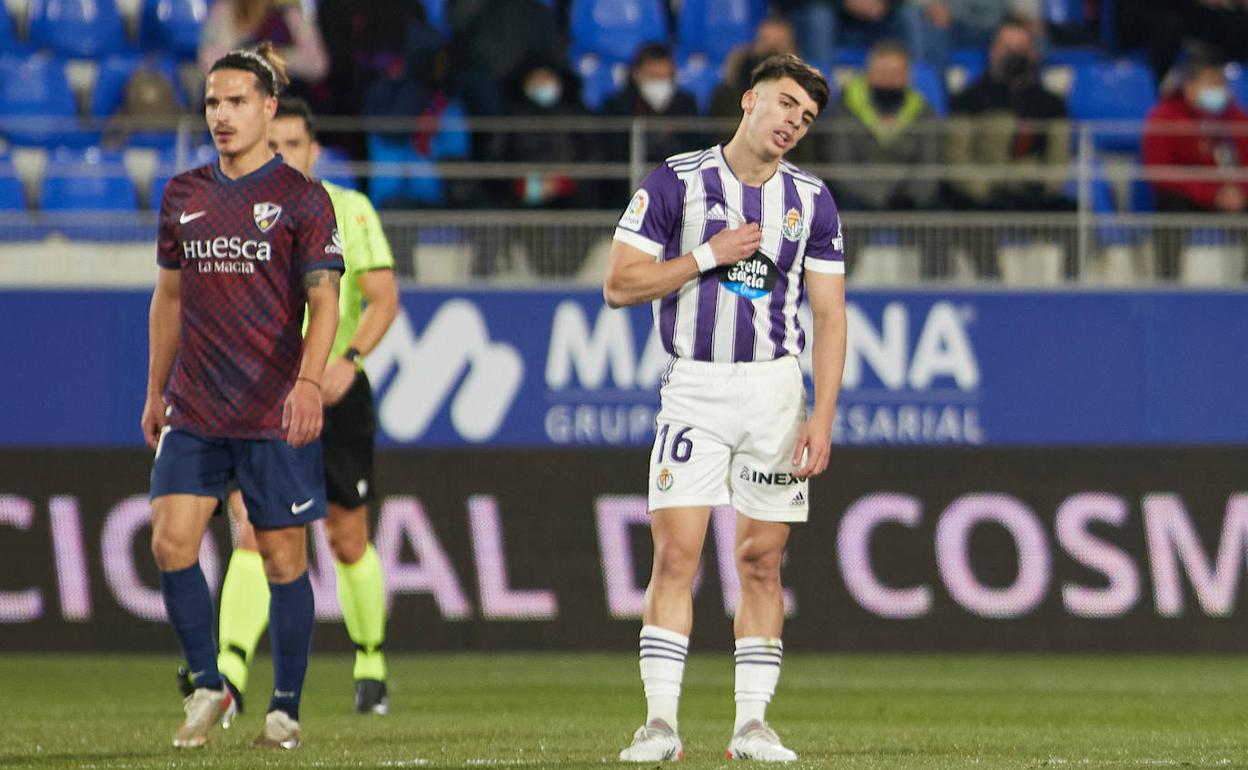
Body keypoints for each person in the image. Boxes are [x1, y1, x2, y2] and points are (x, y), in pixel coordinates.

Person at [603, 54, 847, 763]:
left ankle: (751, 726)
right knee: (676, 554)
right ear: (750, 100)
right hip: (696, 388)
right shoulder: (676, 181)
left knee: (763, 561)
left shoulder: (811, 201)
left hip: (775, 392)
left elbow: (829, 317)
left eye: (805, 118)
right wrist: (707, 256)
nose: (792, 123)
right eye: (785, 105)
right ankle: (660, 725)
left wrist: (822, 415)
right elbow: (619, 284)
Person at [142, 43, 343, 750]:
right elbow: (167, 298)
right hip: (195, 405)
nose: (221, 116)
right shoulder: (183, 195)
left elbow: (327, 300)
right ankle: (208, 684)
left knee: (283, 560)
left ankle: (284, 708)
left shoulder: (302, 199)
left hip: (269, 412)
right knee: (170, 541)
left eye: (234, 103)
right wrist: (153, 390)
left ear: (267, 108)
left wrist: (310, 381)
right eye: (211, 104)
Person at [186, 95, 399, 719]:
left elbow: (382, 299)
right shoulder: (231, 210)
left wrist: (348, 360)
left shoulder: (352, 211)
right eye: (271, 144)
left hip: (335, 390)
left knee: (347, 534)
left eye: (294, 145)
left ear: (314, 150)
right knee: (251, 526)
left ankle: (370, 664)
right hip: (260, 395)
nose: (282, 155)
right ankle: (228, 675)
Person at [1142, 57, 1248, 274]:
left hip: (1231, 195)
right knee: (1170, 207)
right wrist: (1211, 192)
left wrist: (1240, 192)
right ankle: (1167, 283)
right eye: (1210, 83)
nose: (1218, 90)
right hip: (1187, 196)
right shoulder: (1165, 117)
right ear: (1189, 87)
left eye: (1220, 84)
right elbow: (1159, 171)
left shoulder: (1236, 118)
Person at [823, 39, 942, 211]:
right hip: (857, 198)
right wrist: (881, 198)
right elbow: (841, 166)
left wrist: (909, 197)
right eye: (883, 73)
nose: (889, 80)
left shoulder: (923, 111)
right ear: (869, 74)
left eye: (896, 73)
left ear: (909, 77)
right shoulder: (845, 108)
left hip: (909, 200)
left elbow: (929, 165)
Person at [198, 0, 329, 93]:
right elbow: (210, 64)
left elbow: (318, 66)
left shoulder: (291, 13)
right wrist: (256, 58)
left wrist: (279, 58)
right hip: (237, 100)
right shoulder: (224, 10)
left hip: (282, 105)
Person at [908, 0, 1042, 73]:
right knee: (926, 22)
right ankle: (937, 81)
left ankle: (1032, 81)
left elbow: (1023, 11)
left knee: (1031, 32)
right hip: (955, 24)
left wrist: (1021, 18)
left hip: (1000, 23)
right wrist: (933, 4)